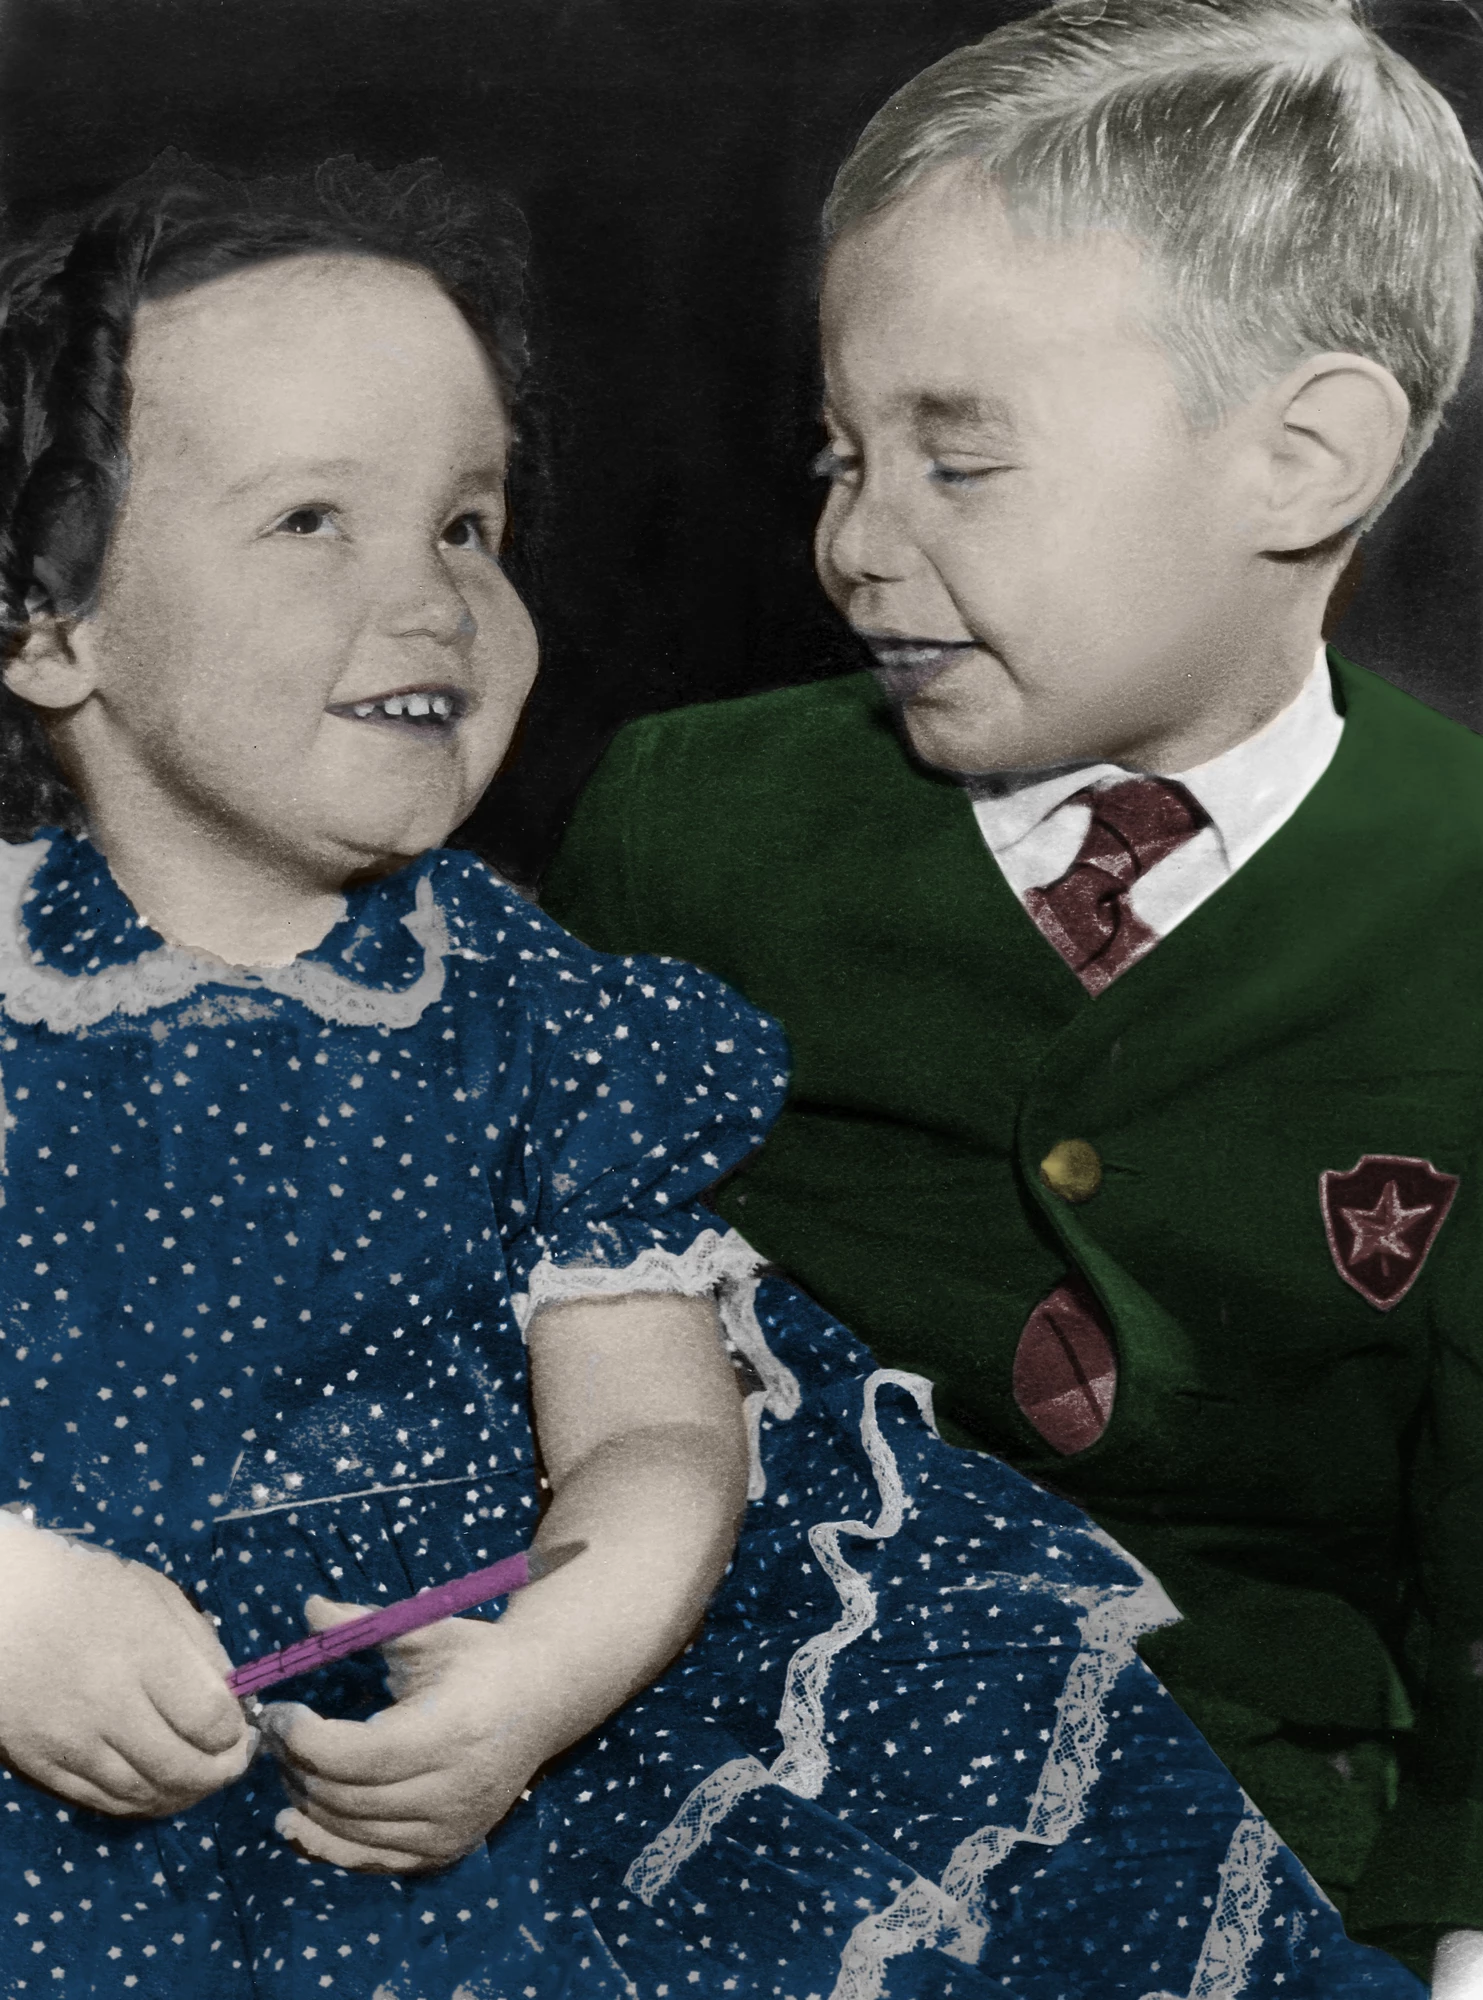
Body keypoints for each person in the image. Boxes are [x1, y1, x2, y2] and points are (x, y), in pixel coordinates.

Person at [0, 158, 1411, 2000]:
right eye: (310, 521)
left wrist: (548, 1667)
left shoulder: (540, 1021)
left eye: (468, 526)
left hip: (471, 1755)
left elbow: (655, 1434)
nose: (433, 599)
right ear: (50, 625)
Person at [542, 0, 1483, 1989]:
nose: (851, 541)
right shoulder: (691, 823)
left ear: (1303, 460)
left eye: (957, 461)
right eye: (840, 455)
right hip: (744, 1803)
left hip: (1279, 1857)